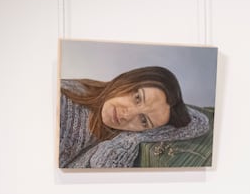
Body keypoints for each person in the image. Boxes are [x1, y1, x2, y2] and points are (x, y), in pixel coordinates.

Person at [58, 66, 208, 168]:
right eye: (137, 98)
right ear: (128, 80)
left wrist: (134, 138)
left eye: (143, 120)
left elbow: (198, 123)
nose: (126, 115)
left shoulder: (104, 121)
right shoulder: (61, 105)